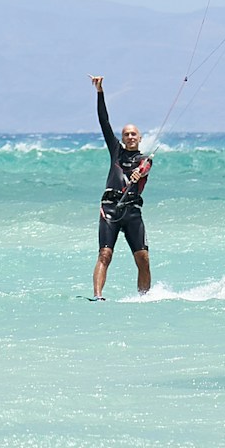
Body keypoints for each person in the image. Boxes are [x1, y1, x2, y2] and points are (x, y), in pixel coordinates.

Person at [90, 75, 152, 299]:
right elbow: (104, 122)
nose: (130, 137)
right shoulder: (116, 151)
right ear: (123, 138)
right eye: (126, 134)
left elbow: (146, 168)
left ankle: (143, 298)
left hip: (132, 212)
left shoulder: (145, 159)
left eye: (133, 134)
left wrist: (139, 172)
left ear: (140, 138)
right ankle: (98, 297)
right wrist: (100, 92)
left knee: (143, 259)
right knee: (105, 254)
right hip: (111, 210)